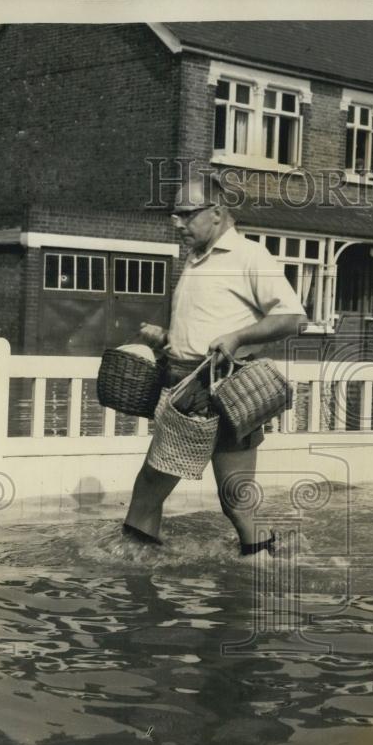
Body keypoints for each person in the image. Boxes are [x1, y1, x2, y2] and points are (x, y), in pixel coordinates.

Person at [122, 176, 307, 554]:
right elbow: (204, 323)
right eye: (176, 215)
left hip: (226, 390)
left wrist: (238, 338)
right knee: (162, 491)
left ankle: (134, 574)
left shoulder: (249, 256)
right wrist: (167, 339)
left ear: (218, 213)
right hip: (189, 385)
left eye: (186, 214)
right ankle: (139, 572)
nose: (177, 223)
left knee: (229, 498)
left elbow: (293, 318)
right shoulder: (194, 259)